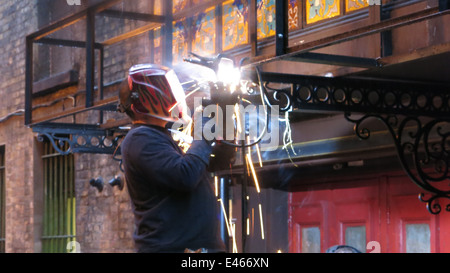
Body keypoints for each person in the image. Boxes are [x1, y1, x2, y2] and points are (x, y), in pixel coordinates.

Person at [118, 64, 226, 253]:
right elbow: (186, 175)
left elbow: (213, 164)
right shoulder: (140, 139)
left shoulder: (161, 136)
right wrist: (203, 133)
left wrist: (223, 105)